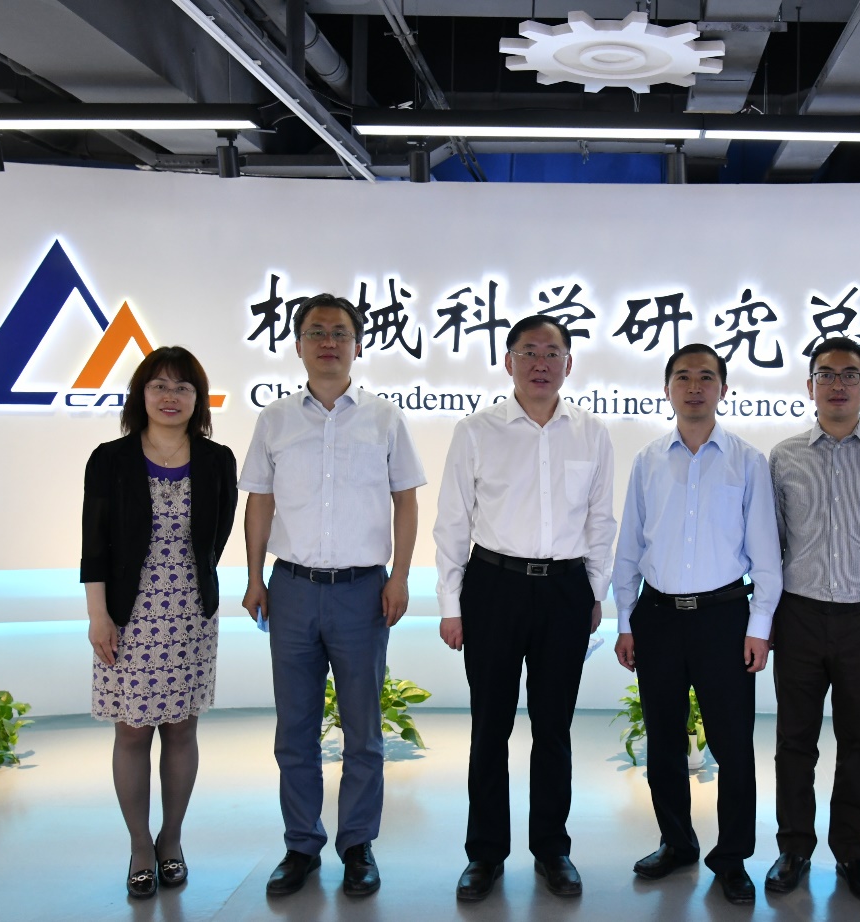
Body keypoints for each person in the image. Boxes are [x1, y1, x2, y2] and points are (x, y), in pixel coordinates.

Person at [239, 293, 425, 898]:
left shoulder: (384, 418)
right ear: (297, 344)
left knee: (363, 731)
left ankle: (357, 845)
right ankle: (301, 845)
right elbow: (259, 501)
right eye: (316, 331)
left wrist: (400, 576)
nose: (328, 342)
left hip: (361, 592)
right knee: (295, 730)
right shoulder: (274, 419)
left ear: (357, 344)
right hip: (292, 589)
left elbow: (405, 501)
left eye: (340, 332)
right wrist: (254, 577)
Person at [434, 315, 617, 902]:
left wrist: (594, 593)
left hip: (565, 590)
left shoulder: (591, 433)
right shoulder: (476, 430)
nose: (541, 362)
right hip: (493, 586)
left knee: (554, 727)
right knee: (490, 725)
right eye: (529, 351)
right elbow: (452, 521)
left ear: (569, 363)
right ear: (508, 360)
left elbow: (601, 521)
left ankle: (552, 849)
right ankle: (485, 853)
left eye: (552, 352)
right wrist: (450, 604)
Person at [612, 344, 781, 906]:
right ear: (667, 389)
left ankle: (732, 858)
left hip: (724, 618)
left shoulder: (747, 461)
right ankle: (677, 842)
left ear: (723, 390)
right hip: (658, 617)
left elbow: (766, 555)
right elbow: (629, 547)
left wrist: (759, 626)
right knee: (663, 741)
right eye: (682, 377)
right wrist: (625, 619)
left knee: (733, 745)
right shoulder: (647, 461)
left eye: (706, 377)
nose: (694, 386)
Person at [765, 336, 860, 900]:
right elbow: (770, 545)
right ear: (809, 386)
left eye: (849, 374)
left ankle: (853, 853)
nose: (838, 385)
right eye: (826, 374)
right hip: (799, 615)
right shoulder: (784, 456)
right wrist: (766, 616)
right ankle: (793, 848)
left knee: (859, 740)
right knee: (794, 739)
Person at [81, 346, 238, 900]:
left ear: (198, 399)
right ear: (140, 395)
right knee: (131, 731)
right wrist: (98, 615)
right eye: (159, 386)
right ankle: (139, 847)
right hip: (126, 616)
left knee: (181, 729)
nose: (171, 397)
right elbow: (94, 545)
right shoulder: (110, 459)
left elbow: (217, 536)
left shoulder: (217, 460)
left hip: (190, 614)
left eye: (183, 387)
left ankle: (171, 840)